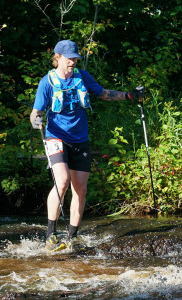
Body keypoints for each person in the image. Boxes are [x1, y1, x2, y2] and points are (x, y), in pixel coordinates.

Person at [30, 39, 143, 251]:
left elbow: (103, 94)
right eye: (69, 58)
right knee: (62, 182)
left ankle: (72, 236)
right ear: (58, 58)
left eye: (75, 58)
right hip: (55, 137)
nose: (73, 61)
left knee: (80, 190)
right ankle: (50, 235)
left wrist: (129, 95)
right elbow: (35, 112)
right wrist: (36, 120)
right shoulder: (47, 82)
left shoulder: (82, 76)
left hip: (80, 139)